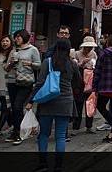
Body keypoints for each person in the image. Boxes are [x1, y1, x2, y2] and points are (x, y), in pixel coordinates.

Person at [25, 39, 80, 169]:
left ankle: (43, 163)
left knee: (43, 134)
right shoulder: (72, 64)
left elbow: (40, 84)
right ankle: (58, 166)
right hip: (66, 101)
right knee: (60, 136)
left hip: (47, 101)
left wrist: (31, 100)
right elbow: (78, 81)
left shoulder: (47, 62)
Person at [5, 29, 41, 145]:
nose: (16, 39)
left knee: (17, 106)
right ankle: (15, 131)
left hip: (26, 82)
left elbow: (39, 65)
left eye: (19, 37)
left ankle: (18, 132)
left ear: (25, 37)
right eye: (15, 37)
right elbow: (6, 68)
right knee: (14, 108)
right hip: (12, 81)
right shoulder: (13, 50)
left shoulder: (33, 50)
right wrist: (11, 63)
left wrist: (29, 63)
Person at [72, 36, 97, 133]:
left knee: (90, 104)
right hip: (79, 81)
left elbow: (95, 66)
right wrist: (82, 63)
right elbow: (74, 67)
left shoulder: (94, 54)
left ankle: (89, 126)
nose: (89, 49)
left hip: (90, 81)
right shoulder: (77, 54)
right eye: (87, 47)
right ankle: (75, 127)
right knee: (78, 104)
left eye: (90, 47)